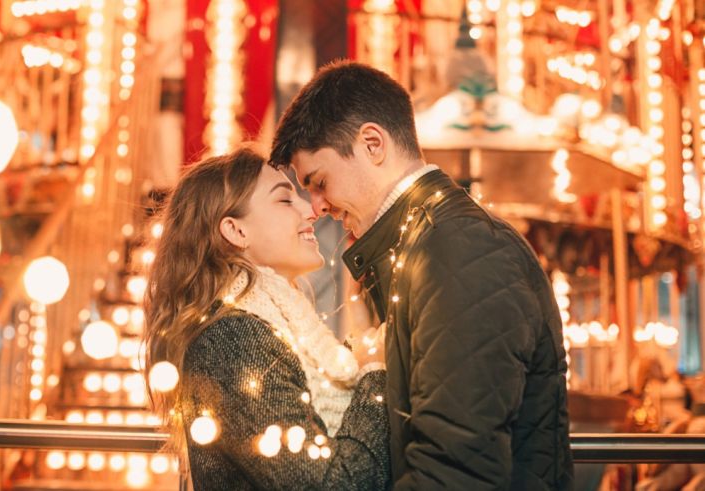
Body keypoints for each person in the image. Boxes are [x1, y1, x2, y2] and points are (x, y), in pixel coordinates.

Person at [269, 61, 574, 490]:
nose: (318, 206)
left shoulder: (458, 250)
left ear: (373, 144)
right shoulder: (425, 246)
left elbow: (455, 471)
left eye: (319, 182)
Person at [145, 148, 390, 490]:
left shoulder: (269, 322)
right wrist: (374, 377)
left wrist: (361, 332)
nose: (310, 211)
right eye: (285, 201)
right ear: (235, 230)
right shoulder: (234, 340)